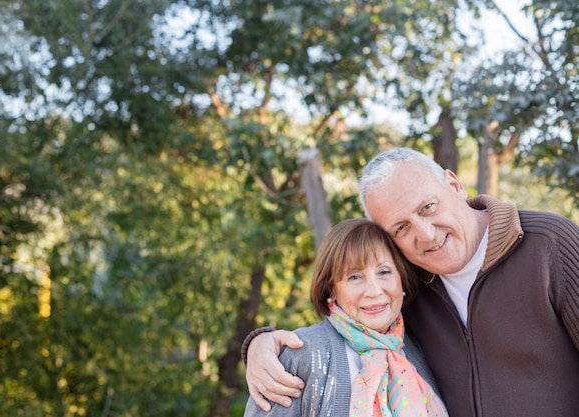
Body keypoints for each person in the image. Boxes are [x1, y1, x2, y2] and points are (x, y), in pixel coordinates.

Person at [243, 148, 579, 417]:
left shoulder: (549, 245)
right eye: (400, 228)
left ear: (454, 185)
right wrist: (262, 345)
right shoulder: (410, 285)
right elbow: (352, 322)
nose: (426, 234)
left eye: (429, 207)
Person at [243, 218, 447, 416]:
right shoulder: (301, 355)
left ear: (401, 278)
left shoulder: (423, 347)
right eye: (354, 277)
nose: (374, 291)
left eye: (384, 272)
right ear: (331, 289)